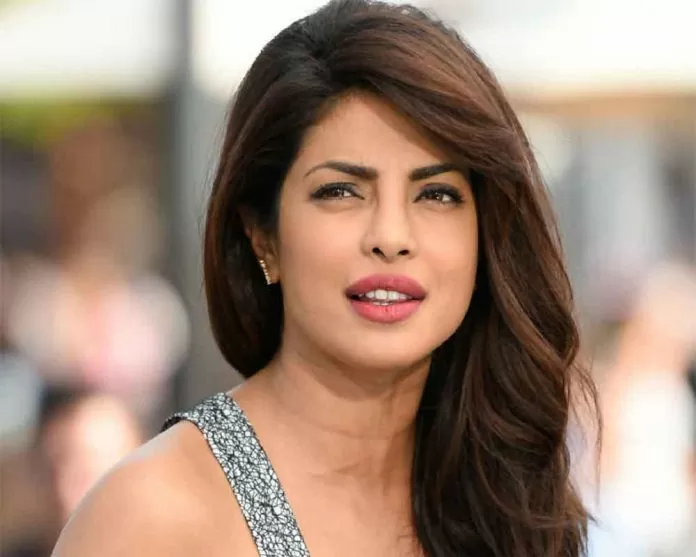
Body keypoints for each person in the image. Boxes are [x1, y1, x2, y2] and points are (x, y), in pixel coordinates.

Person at [51, 1, 599, 556]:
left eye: (436, 194)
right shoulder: (154, 515)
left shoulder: (509, 499)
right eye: (341, 191)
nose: (391, 236)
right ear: (262, 234)